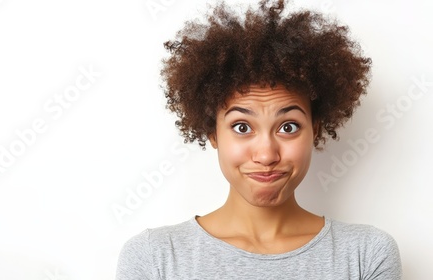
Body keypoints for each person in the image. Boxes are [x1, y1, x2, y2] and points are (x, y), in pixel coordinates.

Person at [116, 0, 402, 279]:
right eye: (242, 127)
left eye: (288, 127)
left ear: (315, 129)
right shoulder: (155, 257)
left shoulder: (366, 255)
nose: (266, 156)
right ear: (212, 133)